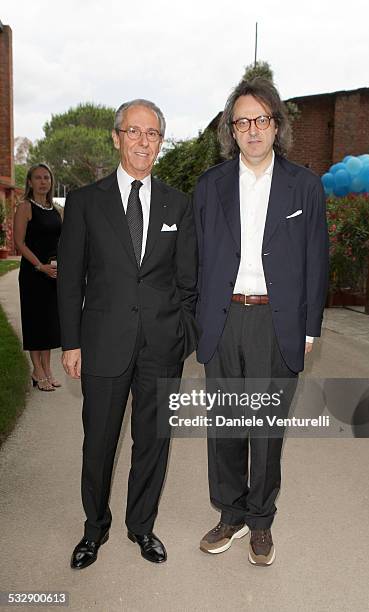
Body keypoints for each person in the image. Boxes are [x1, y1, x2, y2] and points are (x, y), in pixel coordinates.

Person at [57, 98, 198, 569]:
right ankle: (93, 529)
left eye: (153, 133)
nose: (143, 141)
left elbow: (188, 280)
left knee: (153, 442)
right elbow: (71, 278)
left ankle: (142, 526)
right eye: (134, 131)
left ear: (160, 142)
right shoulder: (84, 202)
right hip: (102, 344)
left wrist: (184, 336)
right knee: (98, 442)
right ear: (117, 137)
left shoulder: (179, 203)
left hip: (162, 346)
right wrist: (71, 342)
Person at [194, 78, 329, 566]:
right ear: (232, 130)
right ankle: (230, 515)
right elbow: (195, 261)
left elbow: (317, 261)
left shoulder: (304, 186)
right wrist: (198, 320)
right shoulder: (209, 187)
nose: (252, 130)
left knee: (267, 426)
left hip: (277, 321)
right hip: (225, 318)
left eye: (262, 120)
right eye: (242, 121)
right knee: (227, 422)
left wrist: (310, 327)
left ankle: (261, 522)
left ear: (277, 125)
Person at [14, 163, 62, 392]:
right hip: (34, 273)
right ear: (30, 182)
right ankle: (37, 370)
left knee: (49, 324)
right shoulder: (25, 207)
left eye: (46, 178)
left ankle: (47, 369)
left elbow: (59, 241)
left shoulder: (54, 209)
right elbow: (19, 243)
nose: (43, 181)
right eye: (38, 178)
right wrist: (39, 266)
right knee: (35, 323)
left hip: (53, 273)